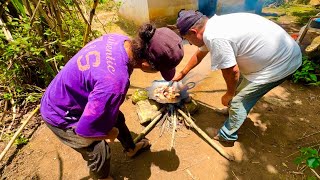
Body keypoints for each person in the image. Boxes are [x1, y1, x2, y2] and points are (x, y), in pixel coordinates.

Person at [40, 23, 183, 180]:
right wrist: (110, 133)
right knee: (98, 151)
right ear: (146, 65)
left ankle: (130, 148)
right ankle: (102, 178)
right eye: (159, 70)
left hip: (70, 93)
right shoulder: (114, 84)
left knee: (117, 118)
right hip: (61, 113)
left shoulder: (120, 40)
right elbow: (85, 132)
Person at [173, 10, 302, 143]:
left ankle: (227, 135)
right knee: (238, 90)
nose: (190, 43)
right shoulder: (212, 26)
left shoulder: (215, 37)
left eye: (186, 39)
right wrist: (182, 73)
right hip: (278, 56)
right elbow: (199, 55)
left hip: (280, 64)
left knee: (238, 101)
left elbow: (232, 71)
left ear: (194, 32)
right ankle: (232, 111)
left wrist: (229, 94)